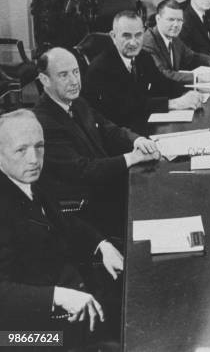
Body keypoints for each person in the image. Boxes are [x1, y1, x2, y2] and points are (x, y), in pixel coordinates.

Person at [0, 110, 123, 343]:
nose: (34, 158)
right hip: (25, 336)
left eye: (39, 146)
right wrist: (57, 297)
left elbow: (63, 221)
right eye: (21, 150)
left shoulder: (28, 178)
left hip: (74, 294)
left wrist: (101, 245)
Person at [33, 47, 160, 235]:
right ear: (45, 80)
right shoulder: (43, 121)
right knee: (158, 204)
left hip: (107, 186)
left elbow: (108, 128)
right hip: (86, 208)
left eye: (76, 72)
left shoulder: (76, 102)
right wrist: (132, 158)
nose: (74, 81)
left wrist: (137, 140)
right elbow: (82, 170)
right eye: (63, 75)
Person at [82, 10, 203, 130]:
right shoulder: (101, 68)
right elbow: (129, 106)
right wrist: (174, 104)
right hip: (119, 133)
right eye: (126, 36)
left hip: (141, 125)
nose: (133, 42)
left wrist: (188, 93)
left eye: (138, 35)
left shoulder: (143, 56)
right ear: (113, 36)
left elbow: (162, 83)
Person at [143, 0, 210, 84]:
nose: (176, 25)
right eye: (171, 19)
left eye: (179, 20)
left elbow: (191, 57)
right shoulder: (149, 42)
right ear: (158, 19)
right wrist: (198, 78)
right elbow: (163, 74)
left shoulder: (174, 37)